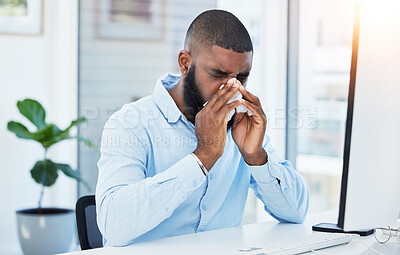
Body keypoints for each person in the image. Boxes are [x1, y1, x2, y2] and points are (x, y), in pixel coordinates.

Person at [96, 9, 309, 247]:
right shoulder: (130, 123)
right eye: (218, 74)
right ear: (185, 63)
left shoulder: (241, 125)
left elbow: (297, 212)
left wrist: (256, 156)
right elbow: (113, 225)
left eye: (242, 77)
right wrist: (204, 156)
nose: (231, 87)